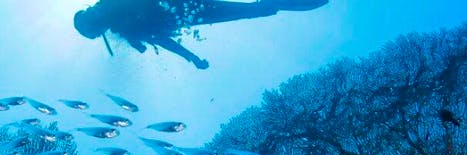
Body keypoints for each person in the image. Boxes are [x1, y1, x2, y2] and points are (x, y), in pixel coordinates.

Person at [73, 0, 329, 69]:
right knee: (245, 11)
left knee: (245, 11)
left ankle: (272, 5)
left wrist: (190, 57)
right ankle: (276, 4)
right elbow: (162, 40)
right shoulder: (125, 29)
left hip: (185, 10)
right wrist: (190, 57)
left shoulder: (123, 24)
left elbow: (160, 39)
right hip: (188, 11)